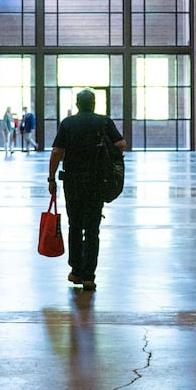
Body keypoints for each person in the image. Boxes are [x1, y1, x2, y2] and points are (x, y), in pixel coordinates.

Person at [47, 89, 126, 291]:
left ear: (77, 104)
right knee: (92, 228)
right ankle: (89, 276)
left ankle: (76, 271)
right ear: (94, 103)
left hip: (72, 180)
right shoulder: (104, 121)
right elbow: (120, 144)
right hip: (96, 180)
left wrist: (51, 177)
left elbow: (57, 151)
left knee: (74, 224)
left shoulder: (67, 123)